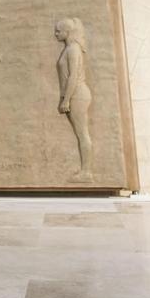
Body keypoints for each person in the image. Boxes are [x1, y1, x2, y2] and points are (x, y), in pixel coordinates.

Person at [55, 18, 94, 181]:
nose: (55, 34)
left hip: (77, 95)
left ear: (67, 32)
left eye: (58, 31)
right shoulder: (70, 48)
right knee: (81, 133)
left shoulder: (73, 49)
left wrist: (66, 100)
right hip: (74, 94)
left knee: (82, 133)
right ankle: (85, 171)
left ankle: (86, 173)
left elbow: (73, 77)